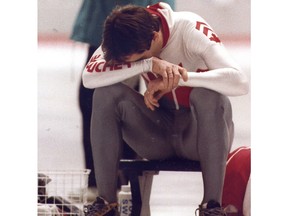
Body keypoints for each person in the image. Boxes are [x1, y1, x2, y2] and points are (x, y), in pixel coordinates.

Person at [82, 2, 249, 216]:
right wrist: (148, 64)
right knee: (105, 93)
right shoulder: (120, 33)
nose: (141, 63)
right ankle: (106, 202)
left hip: (199, 137)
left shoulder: (189, 27)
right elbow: (89, 78)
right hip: (157, 135)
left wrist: (181, 79)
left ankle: (211, 206)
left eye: (142, 58)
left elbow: (240, 81)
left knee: (208, 95)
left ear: (154, 37)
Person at [70, 0, 175, 188]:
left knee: (105, 101)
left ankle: (118, 181)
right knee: (101, 99)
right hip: (115, 24)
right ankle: (113, 181)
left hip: (130, 26)